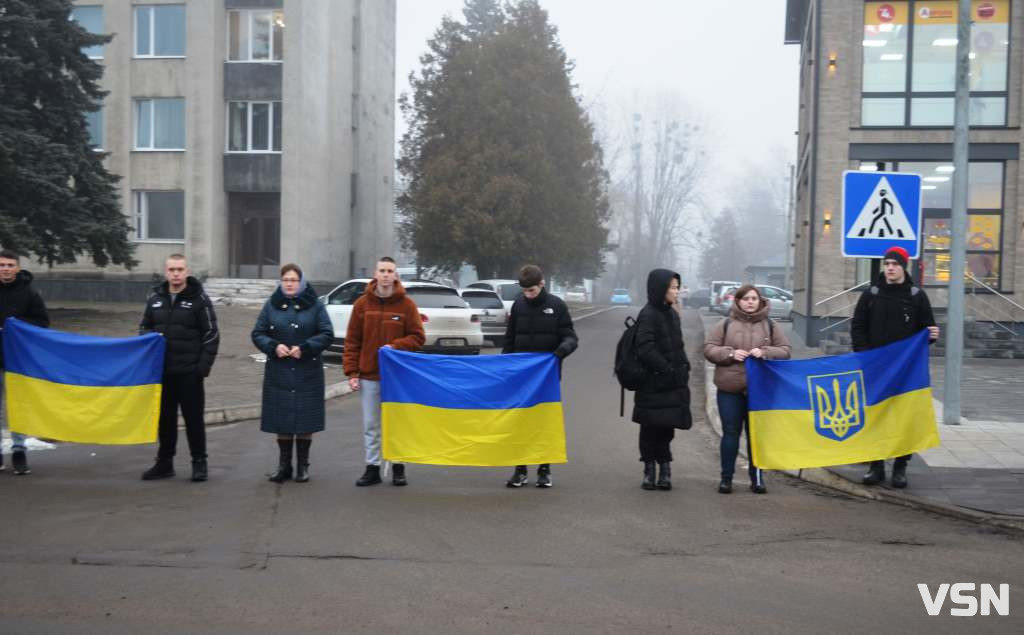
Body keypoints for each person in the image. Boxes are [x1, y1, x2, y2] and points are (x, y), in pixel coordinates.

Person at [851, 246, 939, 489]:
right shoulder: (871, 294)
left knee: (904, 419)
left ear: (903, 267)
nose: (890, 268)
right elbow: (858, 328)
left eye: (895, 264)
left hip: (905, 371)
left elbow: (927, 329)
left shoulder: (916, 296)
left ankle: (900, 467)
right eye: (887, 264)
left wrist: (932, 335)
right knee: (876, 416)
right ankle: (875, 466)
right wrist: (866, 356)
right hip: (875, 369)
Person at [344, 257, 425, 487]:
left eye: (390, 271)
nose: (386, 275)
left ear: (396, 275)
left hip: (397, 378)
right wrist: (352, 372)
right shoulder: (362, 304)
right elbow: (352, 340)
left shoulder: (406, 305)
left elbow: (418, 337)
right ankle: (372, 468)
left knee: (397, 424)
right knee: (371, 425)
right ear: (375, 273)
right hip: (369, 375)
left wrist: (396, 346)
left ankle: (398, 467)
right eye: (382, 270)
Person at [139, 254, 219, 482]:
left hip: (190, 373)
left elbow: (212, 334)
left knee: (194, 419)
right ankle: (164, 463)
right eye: (172, 269)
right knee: (165, 420)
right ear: (166, 271)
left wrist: (202, 368)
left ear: (187, 272)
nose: (176, 273)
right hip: (163, 372)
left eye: (180, 269)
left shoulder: (199, 300)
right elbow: (144, 327)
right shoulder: (155, 298)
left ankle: (199, 462)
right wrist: (149, 337)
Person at [704, 284, 790, 495]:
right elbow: (709, 348)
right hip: (730, 389)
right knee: (731, 434)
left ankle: (757, 479)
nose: (750, 302)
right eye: (746, 298)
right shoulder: (725, 324)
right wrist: (730, 354)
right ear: (738, 301)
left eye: (754, 298)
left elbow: (786, 351)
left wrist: (765, 352)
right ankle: (726, 479)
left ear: (760, 301)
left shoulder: (770, 325)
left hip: (760, 391)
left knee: (757, 436)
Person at [252, 264, 333, 483]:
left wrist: (306, 347)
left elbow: (327, 334)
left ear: (301, 282)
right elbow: (258, 333)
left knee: (305, 419)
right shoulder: (271, 305)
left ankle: (303, 466)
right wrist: (273, 346)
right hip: (279, 371)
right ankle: (284, 466)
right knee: (282, 419)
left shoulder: (315, 306)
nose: (289, 283)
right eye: (285, 279)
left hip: (308, 371)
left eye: (293, 280)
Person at [501, 265, 578, 489]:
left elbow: (571, 337)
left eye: (532, 290)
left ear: (542, 284)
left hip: (546, 376)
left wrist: (561, 351)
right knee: (520, 421)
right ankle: (520, 469)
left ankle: (544, 469)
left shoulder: (556, 306)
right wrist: (504, 366)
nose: (528, 295)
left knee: (543, 422)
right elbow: (509, 339)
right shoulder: (518, 305)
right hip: (520, 376)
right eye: (524, 291)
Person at [632, 269, 692, 491]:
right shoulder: (648, 314)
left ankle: (665, 469)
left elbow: (678, 346)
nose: (677, 291)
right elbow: (644, 348)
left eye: (678, 287)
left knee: (667, 428)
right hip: (652, 383)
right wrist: (666, 369)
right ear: (660, 289)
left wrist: (684, 366)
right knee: (649, 428)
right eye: (673, 287)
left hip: (672, 383)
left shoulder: (672, 314)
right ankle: (649, 470)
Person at [0, 250, 50, 475]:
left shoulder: (29, 293)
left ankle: (19, 451)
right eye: (2, 265)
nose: (6, 269)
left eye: (10, 265)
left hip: (18, 360)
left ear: (18, 268)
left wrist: (16, 324)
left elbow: (42, 322)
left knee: (18, 406)